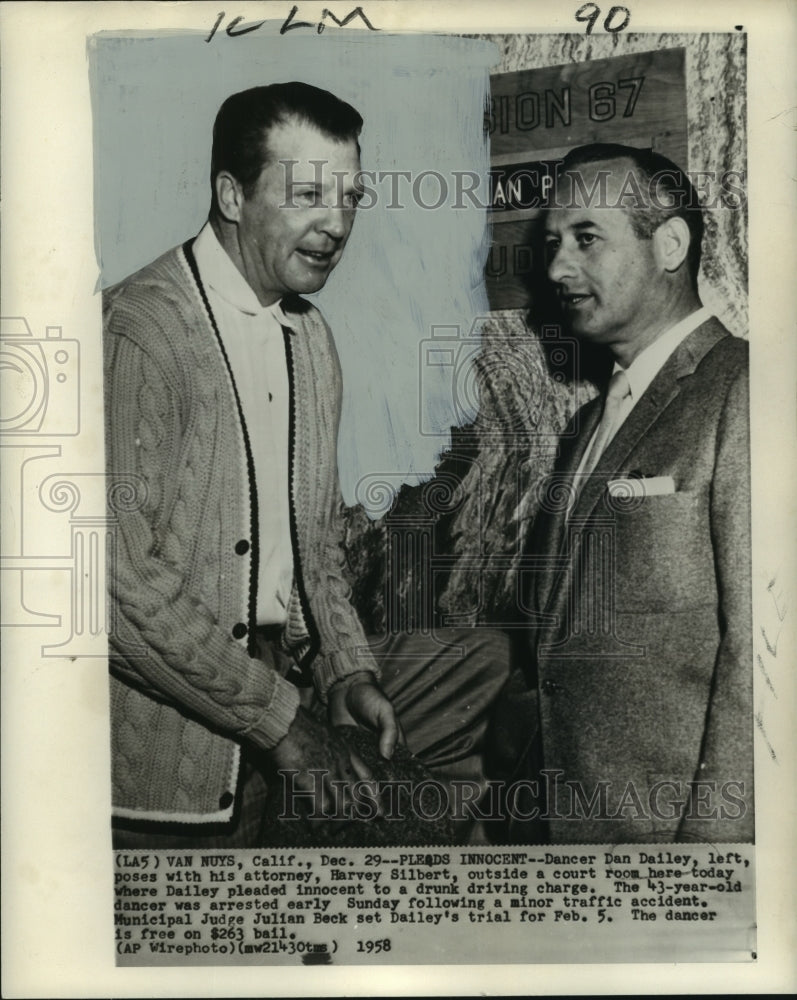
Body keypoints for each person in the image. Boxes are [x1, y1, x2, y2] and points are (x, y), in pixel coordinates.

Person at [104, 82, 508, 847]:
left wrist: (346, 672)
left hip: (269, 722)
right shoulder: (139, 329)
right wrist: (283, 718)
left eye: (351, 196)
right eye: (309, 194)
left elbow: (313, 540)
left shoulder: (310, 337)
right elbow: (116, 587)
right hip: (155, 773)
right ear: (232, 194)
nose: (336, 223)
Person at [511, 143, 752, 844]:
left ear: (669, 243)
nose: (557, 267)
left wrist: (711, 872)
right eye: (553, 242)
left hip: (675, 855)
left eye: (587, 238)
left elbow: (765, 662)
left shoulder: (744, 388)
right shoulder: (588, 424)